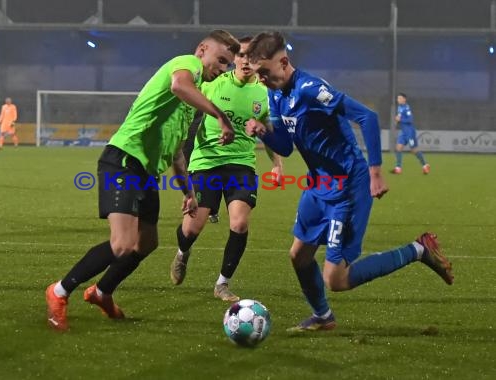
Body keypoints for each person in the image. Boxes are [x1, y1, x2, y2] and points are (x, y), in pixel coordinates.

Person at [244, 31, 453, 331]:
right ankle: (323, 317)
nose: (261, 79)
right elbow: (287, 147)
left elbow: (366, 117)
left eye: (264, 72)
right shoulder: (275, 94)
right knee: (299, 255)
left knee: (336, 279)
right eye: (258, 74)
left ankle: (418, 250)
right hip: (317, 185)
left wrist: (375, 172)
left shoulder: (310, 90)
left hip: (347, 187)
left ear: (284, 61)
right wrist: (264, 132)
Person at [45, 29, 240, 331]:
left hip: (145, 173)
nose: (223, 68)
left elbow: (175, 153)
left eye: (228, 64)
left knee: (147, 242)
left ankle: (101, 292)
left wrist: (189, 192)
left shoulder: (191, 102)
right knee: (122, 244)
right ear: (203, 50)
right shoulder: (186, 65)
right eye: (221, 60)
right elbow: (179, 85)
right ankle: (59, 290)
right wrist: (221, 117)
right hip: (123, 160)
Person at [170, 36, 283, 301]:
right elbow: (188, 111)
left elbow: (268, 132)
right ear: (235, 60)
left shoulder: (265, 94)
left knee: (240, 223)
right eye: (241, 56)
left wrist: (277, 164)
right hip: (206, 162)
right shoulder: (213, 84)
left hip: (241, 164)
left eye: (251, 58)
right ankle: (182, 253)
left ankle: (222, 284)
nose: (246, 62)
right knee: (191, 230)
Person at [392, 93, 430, 174]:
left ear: (404, 99)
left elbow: (410, 120)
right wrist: (396, 121)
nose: (398, 99)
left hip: (410, 132)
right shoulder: (399, 107)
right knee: (398, 147)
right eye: (397, 98)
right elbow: (399, 117)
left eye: (399, 98)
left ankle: (425, 165)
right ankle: (398, 168)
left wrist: (400, 120)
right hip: (403, 132)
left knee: (413, 150)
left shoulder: (407, 108)